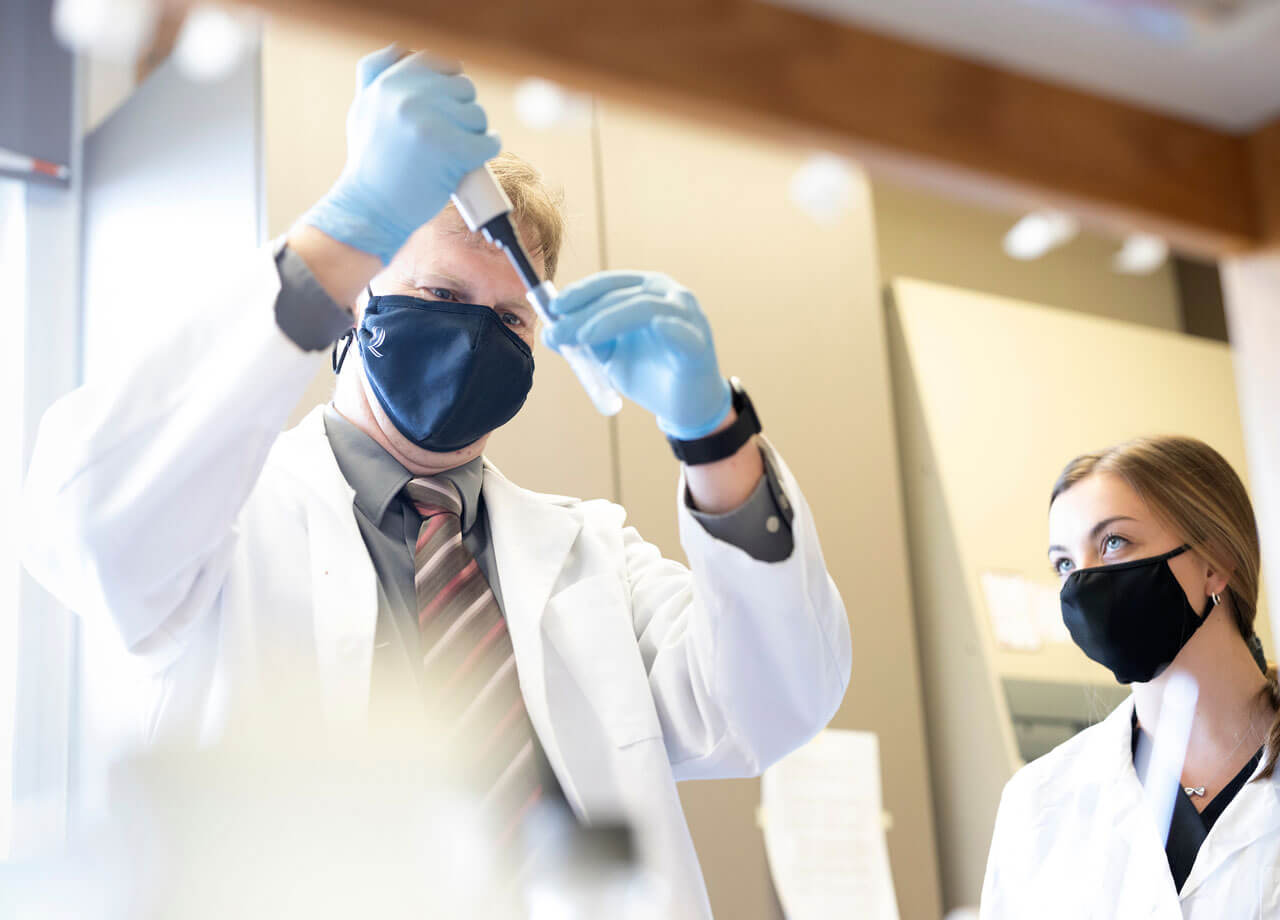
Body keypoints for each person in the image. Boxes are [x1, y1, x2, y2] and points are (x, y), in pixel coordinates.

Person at [19, 47, 850, 919]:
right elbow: (85, 523)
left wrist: (714, 435)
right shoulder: (224, 528)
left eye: (510, 318)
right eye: (442, 294)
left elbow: (776, 701)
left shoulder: (595, 559)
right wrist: (348, 224)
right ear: (360, 296)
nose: (475, 337)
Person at [981, 435, 1280, 918]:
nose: (1082, 585)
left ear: (1216, 562)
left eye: (1113, 543)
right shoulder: (1038, 803)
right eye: (1064, 564)